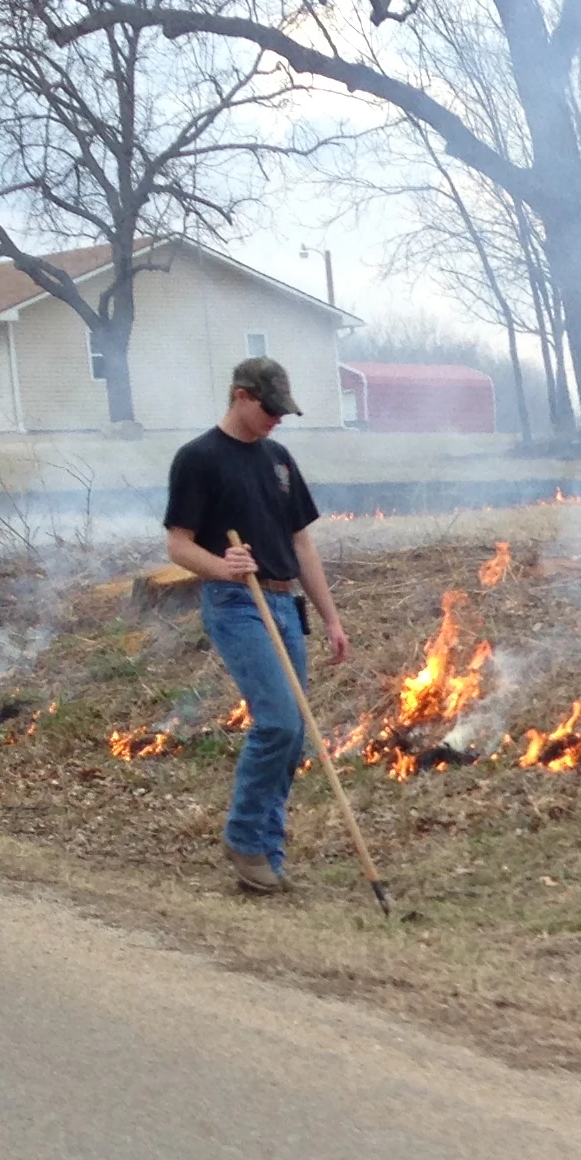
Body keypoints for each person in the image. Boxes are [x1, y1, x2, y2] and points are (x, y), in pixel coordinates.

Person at [164, 357, 353, 896]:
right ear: (241, 396)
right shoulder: (199, 458)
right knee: (278, 722)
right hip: (235, 602)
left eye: (283, 411)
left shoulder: (279, 461)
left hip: (285, 602)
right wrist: (222, 566)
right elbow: (177, 544)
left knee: (294, 736)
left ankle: (267, 854)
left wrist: (331, 618)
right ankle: (245, 840)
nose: (277, 419)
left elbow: (301, 543)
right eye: (270, 409)